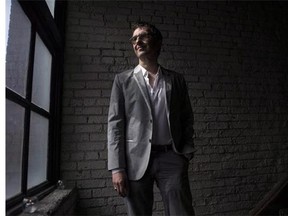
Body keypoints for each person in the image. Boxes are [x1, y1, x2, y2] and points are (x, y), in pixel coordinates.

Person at [107, 21, 195, 215]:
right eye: (134, 38)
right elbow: (115, 125)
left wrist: (185, 152)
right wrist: (117, 168)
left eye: (143, 36)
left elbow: (187, 117)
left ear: (157, 43)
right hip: (135, 160)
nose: (137, 41)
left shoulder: (176, 79)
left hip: (171, 157)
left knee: (182, 212)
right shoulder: (122, 81)